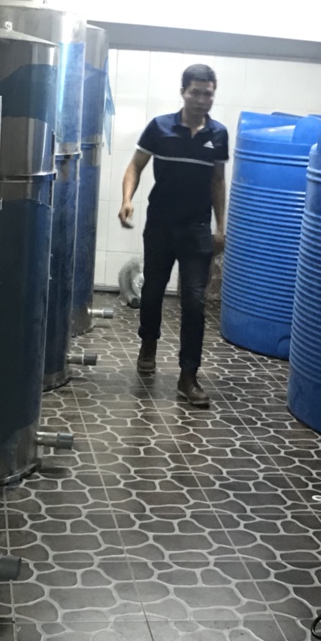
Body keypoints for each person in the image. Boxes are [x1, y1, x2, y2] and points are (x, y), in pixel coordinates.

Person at [118, 63, 229, 407]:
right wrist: (126, 200)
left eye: (208, 93)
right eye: (195, 92)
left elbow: (217, 181)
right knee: (152, 291)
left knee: (195, 302)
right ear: (183, 92)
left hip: (197, 229)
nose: (202, 99)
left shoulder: (219, 134)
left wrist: (221, 226)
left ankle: (188, 376)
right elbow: (135, 166)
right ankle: (148, 343)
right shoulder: (160, 127)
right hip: (161, 226)